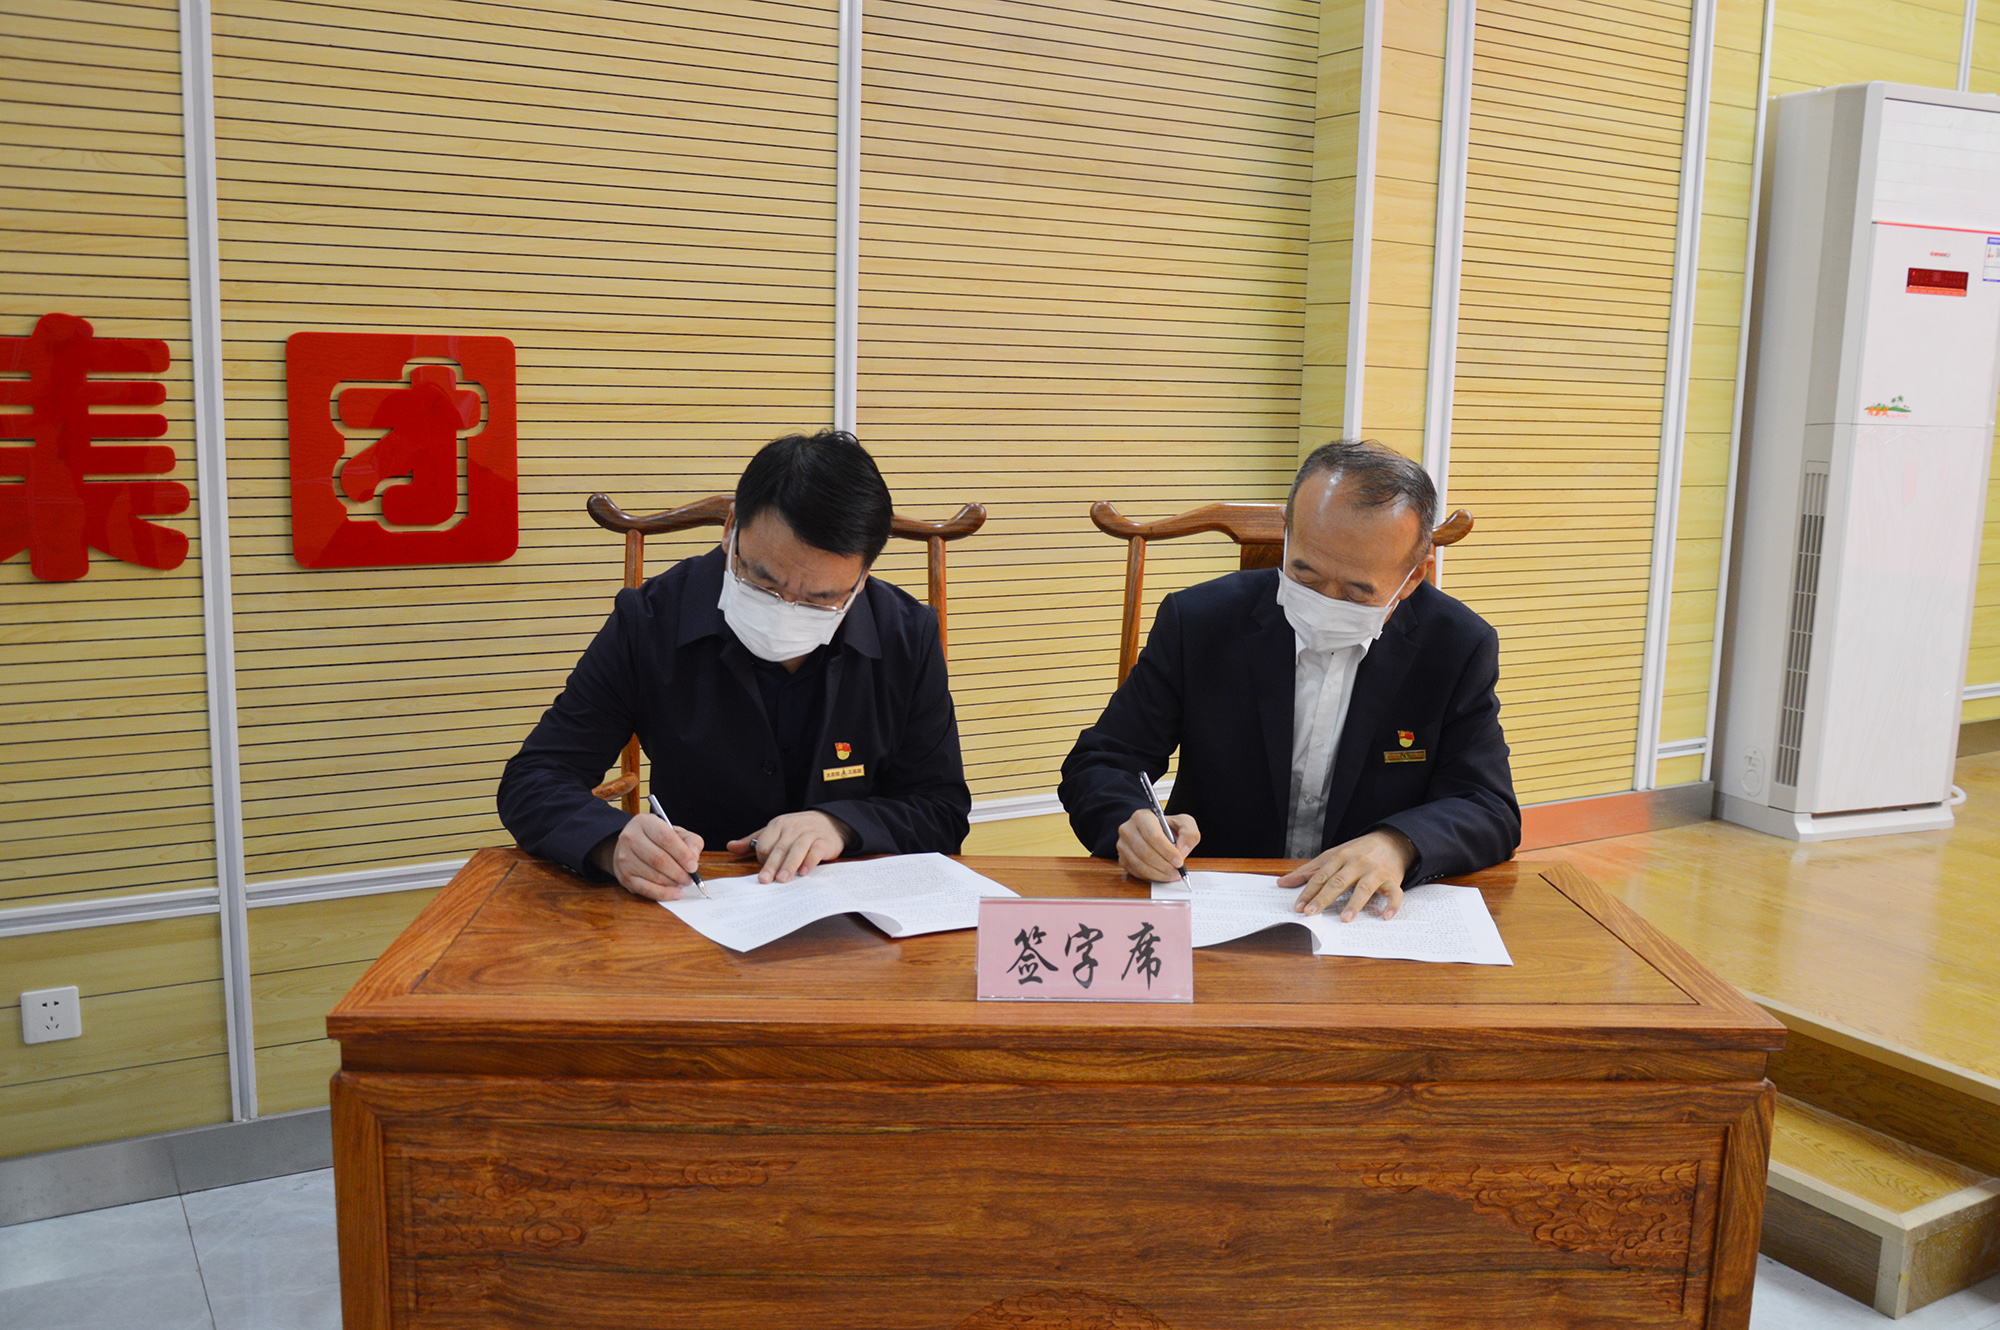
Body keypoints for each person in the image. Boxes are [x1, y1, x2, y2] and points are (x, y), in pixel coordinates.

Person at [498, 429, 971, 899]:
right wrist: (611, 842)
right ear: (731, 529)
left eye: (819, 599)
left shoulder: (906, 636)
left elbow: (941, 810)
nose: (786, 609)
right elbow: (534, 778)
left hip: (852, 911)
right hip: (694, 899)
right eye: (763, 582)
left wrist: (842, 825)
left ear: (862, 577)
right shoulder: (651, 621)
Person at [1059, 439, 1519, 922]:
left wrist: (1397, 844)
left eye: (1357, 592)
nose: (1326, 602)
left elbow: (1488, 806)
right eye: (1306, 576)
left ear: (1413, 577)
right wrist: (1129, 823)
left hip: (1360, 915)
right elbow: (1102, 761)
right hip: (1217, 900)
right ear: (1287, 534)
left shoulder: (1456, 645)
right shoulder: (1199, 622)